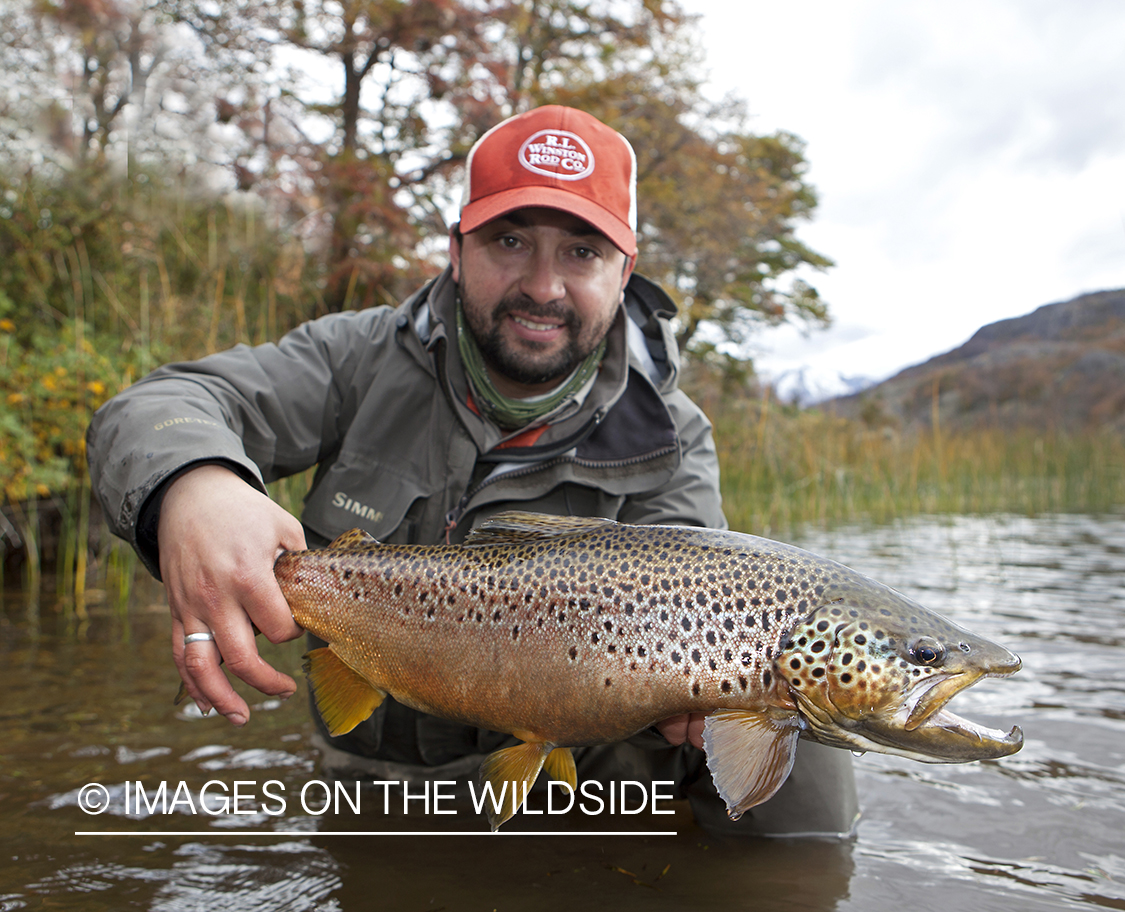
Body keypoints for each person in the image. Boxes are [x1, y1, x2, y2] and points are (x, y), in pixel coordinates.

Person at [86, 105, 857, 836]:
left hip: (582, 778)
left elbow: (698, 616)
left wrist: (697, 707)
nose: (542, 287)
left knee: (807, 729)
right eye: (510, 241)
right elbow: (156, 407)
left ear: (624, 274)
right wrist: (193, 486)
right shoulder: (359, 356)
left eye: (581, 253)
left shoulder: (671, 436)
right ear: (457, 252)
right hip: (385, 774)